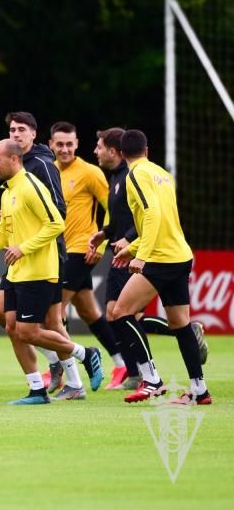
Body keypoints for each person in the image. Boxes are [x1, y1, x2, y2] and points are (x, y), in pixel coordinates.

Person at [0, 139, 101, 405]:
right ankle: (37, 389)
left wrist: (23, 249)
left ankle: (86, 353)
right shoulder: (7, 192)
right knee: (12, 328)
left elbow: (56, 224)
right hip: (17, 273)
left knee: (29, 331)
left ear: (14, 159)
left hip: (39, 271)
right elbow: (3, 236)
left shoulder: (31, 187)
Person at [89, 128, 208, 391]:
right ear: (147, 150)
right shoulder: (162, 174)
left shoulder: (135, 175)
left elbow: (152, 215)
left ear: (121, 153)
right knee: (180, 324)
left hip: (160, 258)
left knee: (120, 313)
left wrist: (141, 256)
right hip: (179, 255)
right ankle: (199, 390)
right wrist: (132, 248)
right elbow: (164, 220)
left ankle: (151, 379)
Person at [0, 112, 98, 393]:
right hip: (19, 254)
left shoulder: (42, 164)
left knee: (49, 322)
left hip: (46, 254)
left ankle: (74, 378)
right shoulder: (14, 164)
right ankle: (58, 366)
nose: (15, 134)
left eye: (21, 130)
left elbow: (58, 213)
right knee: (9, 319)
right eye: (12, 130)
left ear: (33, 133)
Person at [49, 122, 127, 384]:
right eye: (59, 144)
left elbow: (113, 208)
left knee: (54, 310)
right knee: (88, 311)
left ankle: (66, 372)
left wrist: (103, 245)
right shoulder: (49, 171)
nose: (65, 149)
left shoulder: (90, 172)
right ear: (51, 145)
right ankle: (122, 364)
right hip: (60, 250)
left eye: (69, 144)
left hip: (82, 249)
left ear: (77, 144)